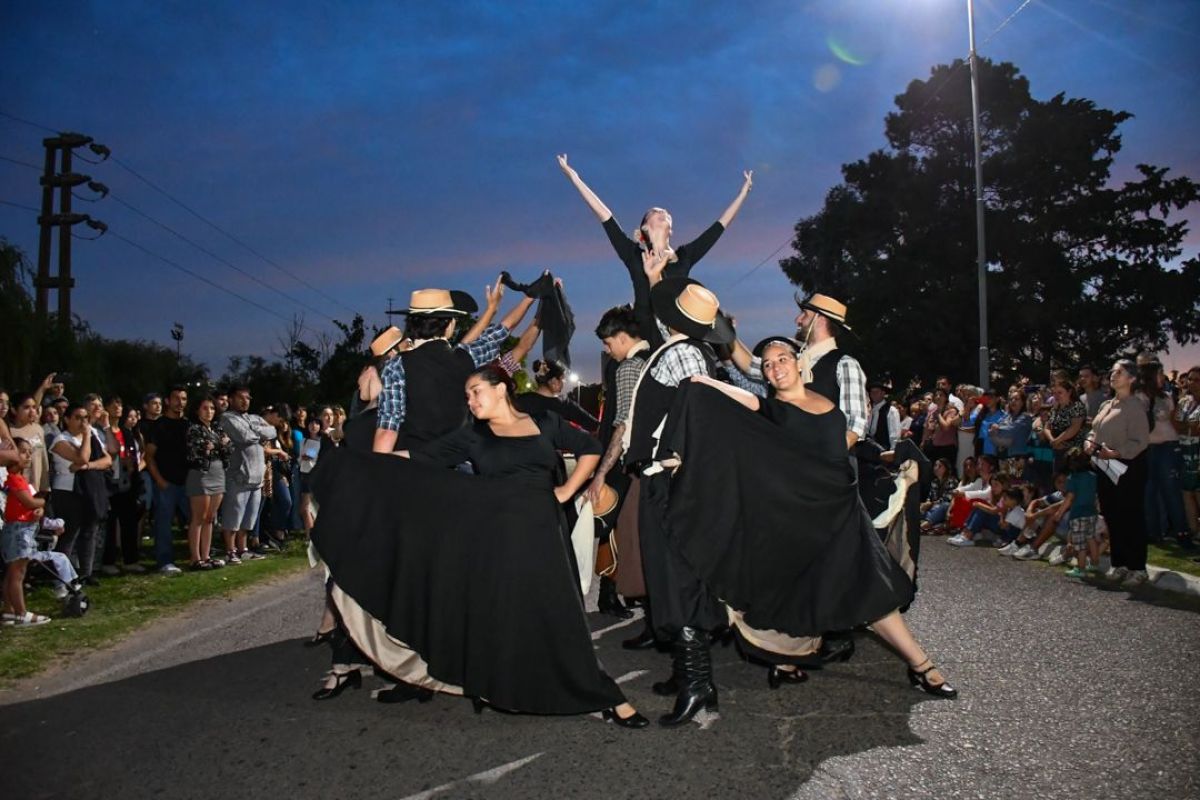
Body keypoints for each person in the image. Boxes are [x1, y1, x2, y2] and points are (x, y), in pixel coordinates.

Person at [309, 366, 648, 728]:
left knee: (561, 616)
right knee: (499, 616)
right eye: (466, 395)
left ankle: (606, 695)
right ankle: (500, 687)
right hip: (495, 538)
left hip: (543, 533)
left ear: (501, 389)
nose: (469, 402)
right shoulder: (473, 436)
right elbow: (419, 458)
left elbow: (590, 448)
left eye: (474, 392)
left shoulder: (545, 421)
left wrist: (565, 492)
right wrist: (358, 462)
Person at [668, 338, 956, 717]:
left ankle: (921, 666)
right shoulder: (771, 409)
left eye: (782, 359)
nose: (775, 368)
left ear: (799, 363)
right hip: (804, 520)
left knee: (871, 590)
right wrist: (701, 382)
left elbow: (837, 449)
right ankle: (787, 662)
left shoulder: (828, 404)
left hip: (841, 514)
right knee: (797, 591)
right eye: (768, 365)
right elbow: (739, 399)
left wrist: (890, 460)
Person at [556, 153, 753, 349]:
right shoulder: (634, 255)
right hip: (648, 332)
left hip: (679, 331)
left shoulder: (684, 256)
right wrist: (574, 177)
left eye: (666, 214)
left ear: (671, 230)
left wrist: (743, 194)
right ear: (644, 228)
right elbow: (604, 215)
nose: (663, 212)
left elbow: (719, 227)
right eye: (655, 213)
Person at [373, 281, 535, 454]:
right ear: (449, 325)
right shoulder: (467, 356)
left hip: (416, 467)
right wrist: (529, 298)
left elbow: (387, 431)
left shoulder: (396, 366)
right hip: (460, 465)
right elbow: (503, 330)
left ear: (411, 323)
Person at [585, 305, 651, 622]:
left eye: (609, 344)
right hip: (651, 462)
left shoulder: (628, 368)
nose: (607, 351)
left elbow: (622, 423)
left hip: (626, 463)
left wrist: (601, 472)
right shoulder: (653, 360)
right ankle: (620, 595)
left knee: (615, 530)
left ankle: (615, 594)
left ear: (622, 337)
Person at [1087, 359, 1150, 588]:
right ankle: (1119, 562)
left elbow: (1140, 441)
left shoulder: (1135, 406)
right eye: (1112, 371)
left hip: (1128, 467)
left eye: (1119, 372)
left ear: (1131, 378)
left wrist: (1117, 452)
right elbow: (1095, 430)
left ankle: (1138, 567)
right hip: (1105, 467)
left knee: (1130, 516)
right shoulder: (1107, 405)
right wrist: (1090, 442)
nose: (1113, 375)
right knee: (1112, 516)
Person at [49, 402, 113, 584]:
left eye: (85, 418)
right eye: (78, 418)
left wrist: (87, 466)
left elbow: (107, 460)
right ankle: (62, 579)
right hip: (67, 492)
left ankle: (86, 572)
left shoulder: (92, 435)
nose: (83, 422)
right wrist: (86, 436)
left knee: (90, 531)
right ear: (67, 419)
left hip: (89, 490)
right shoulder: (61, 440)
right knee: (70, 534)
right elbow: (82, 456)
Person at [218, 386, 277, 564]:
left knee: (248, 518)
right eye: (240, 397)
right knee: (233, 516)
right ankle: (230, 550)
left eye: (248, 398)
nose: (245, 401)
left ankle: (243, 549)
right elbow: (243, 437)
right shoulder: (227, 417)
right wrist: (258, 432)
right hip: (239, 476)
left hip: (257, 476)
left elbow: (272, 431)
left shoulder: (253, 418)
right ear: (231, 399)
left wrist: (255, 430)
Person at [1136, 354, 1190, 547]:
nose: (1162, 377)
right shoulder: (1139, 397)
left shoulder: (1166, 397)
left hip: (1168, 447)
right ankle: (1153, 532)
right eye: (1159, 373)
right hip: (1148, 448)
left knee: (1171, 491)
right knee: (1148, 491)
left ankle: (1182, 532)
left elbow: (1174, 422)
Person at [3, 439, 53, 627]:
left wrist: (36, 511)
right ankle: (21, 612)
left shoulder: (21, 479)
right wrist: (42, 502)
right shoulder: (14, 479)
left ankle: (9, 610)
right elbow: (30, 501)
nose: (28, 456)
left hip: (22, 526)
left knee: (12, 572)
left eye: (29, 452)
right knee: (18, 572)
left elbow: (26, 507)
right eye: (23, 452)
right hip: (18, 530)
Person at [143, 387, 190, 576]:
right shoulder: (158, 426)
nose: (180, 402)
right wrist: (160, 480)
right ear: (168, 401)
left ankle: (197, 555)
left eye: (184, 399)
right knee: (164, 523)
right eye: (176, 398)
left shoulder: (188, 425)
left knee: (196, 520)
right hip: (166, 483)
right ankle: (165, 561)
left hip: (188, 482)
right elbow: (149, 456)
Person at [184, 396, 229, 570]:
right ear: (197, 410)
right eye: (205, 408)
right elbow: (198, 449)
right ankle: (195, 558)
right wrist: (219, 445)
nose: (209, 411)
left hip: (218, 473)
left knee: (210, 517)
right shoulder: (193, 428)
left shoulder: (217, 428)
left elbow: (228, 447)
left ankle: (206, 555)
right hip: (201, 474)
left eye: (211, 408)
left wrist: (215, 445)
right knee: (199, 517)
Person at [102, 406, 146, 573]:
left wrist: (132, 465)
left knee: (129, 522)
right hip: (110, 482)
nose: (117, 409)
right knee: (111, 524)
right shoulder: (103, 431)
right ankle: (109, 561)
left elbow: (136, 455)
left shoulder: (128, 433)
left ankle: (130, 560)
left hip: (128, 482)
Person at [1056, 448, 1103, 579]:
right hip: (1091, 512)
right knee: (1091, 538)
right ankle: (1095, 563)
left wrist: (1060, 512)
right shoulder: (1093, 476)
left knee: (1080, 544)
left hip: (1078, 514)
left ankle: (1081, 568)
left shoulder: (1073, 478)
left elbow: (1070, 497)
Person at [515, 360, 599, 432]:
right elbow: (594, 425)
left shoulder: (520, 401)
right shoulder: (563, 404)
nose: (563, 383)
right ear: (554, 382)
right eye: (562, 379)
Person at [866, 380, 901, 450]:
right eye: (871, 392)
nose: (873, 394)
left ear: (883, 393)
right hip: (870, 450)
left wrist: (893, 451)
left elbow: (895, 434)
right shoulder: (871, 410)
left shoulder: (891, 411)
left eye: (876, 392)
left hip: (884, 450)